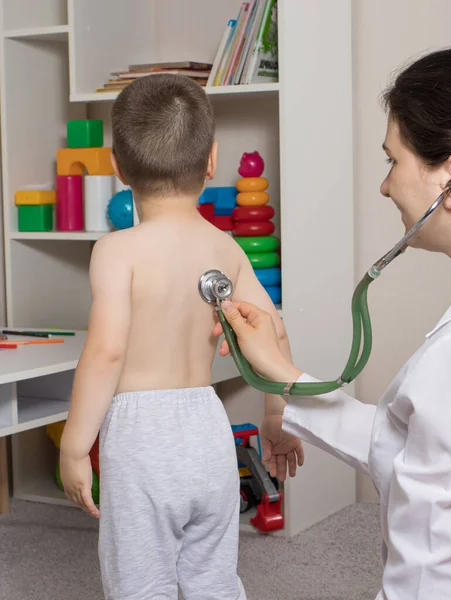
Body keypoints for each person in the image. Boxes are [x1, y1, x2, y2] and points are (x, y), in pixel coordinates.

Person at [214, 46, 451, 599]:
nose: (385, 185)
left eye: (392, 161)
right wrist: (283, 378)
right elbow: (412, 445)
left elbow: (426, 586)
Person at [58, 73, 304, 600]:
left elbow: (106, 351)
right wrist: (276, 418)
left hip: (141, 441)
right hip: (206, 431)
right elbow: (272, 331)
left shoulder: (116, 251)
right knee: (212, 574)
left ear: (119, 168)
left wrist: (75, 446)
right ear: (211, 160)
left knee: (140, 581)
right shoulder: (227, 247)